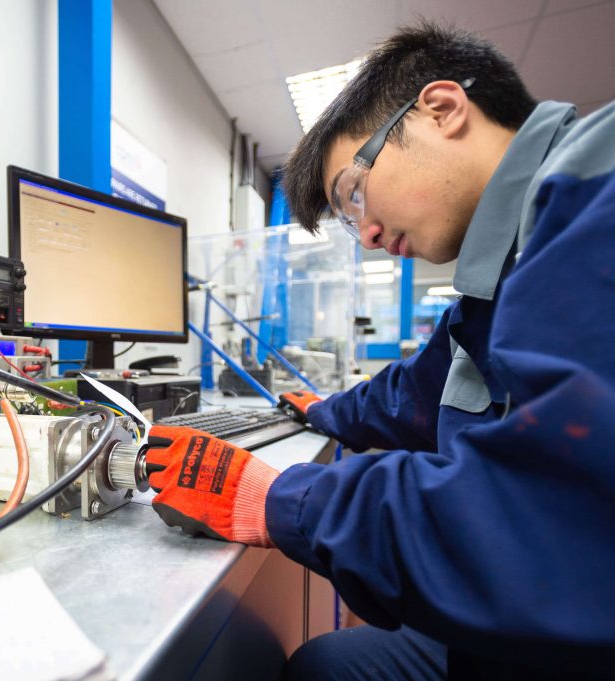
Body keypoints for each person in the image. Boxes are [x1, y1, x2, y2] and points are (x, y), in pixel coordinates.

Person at [143, 22, 615, 680]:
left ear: (442, 109)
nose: (363, 232)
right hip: (521, 630)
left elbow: (553, 518)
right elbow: (417, 392)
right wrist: (327, 409)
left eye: (353, 192)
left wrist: (278, 499)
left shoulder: (596, 188)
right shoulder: (497, 281)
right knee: (322, 665)